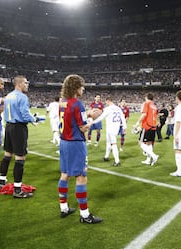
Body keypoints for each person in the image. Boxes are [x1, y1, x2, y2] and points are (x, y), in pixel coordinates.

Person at [57, 74, 102, 224]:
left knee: (64, 174)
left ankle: (63, 208)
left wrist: (87, 114)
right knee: (81, 177)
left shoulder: (62, 102)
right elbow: (83, 128)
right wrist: (91, 120)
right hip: (75, 143)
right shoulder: (78, 104)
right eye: (82, 86)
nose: (83, 89)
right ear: (76, 87)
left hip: (64, 142)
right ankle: (85, 215)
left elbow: (69, 119)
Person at [0, 76, 37, 198]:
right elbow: (25, 116)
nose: (27, 84)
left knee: (7, 155)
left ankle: (2, 181)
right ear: (19, 84)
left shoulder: (8, 96)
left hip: (9, 126)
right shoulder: (22, 97)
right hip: (19, 128)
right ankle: (17, 190)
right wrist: (34, 119)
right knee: (20, 157)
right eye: (26, 82)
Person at [91, 96, 127, 166]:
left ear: (108, 101)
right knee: (108, 142)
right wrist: (125, 127)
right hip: (115, 128)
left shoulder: (108, 109)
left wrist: (92, 122)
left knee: (113, 144)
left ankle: (117, 161)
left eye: (106, 102)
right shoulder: (118, 108)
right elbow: (122, 118)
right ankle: (106, 157)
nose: (105, 103)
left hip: (111, 128)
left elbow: (101, 117)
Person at [133, 93, 159, 166]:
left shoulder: (146, 103)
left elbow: (144, 114)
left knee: (140, 143)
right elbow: (156, 116)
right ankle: (148, 160)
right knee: (149, 143)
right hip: (153, 126)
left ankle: (154, 156)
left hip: (147, 126)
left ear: (146, 97)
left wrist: (137, 123)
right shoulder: (154, 105)